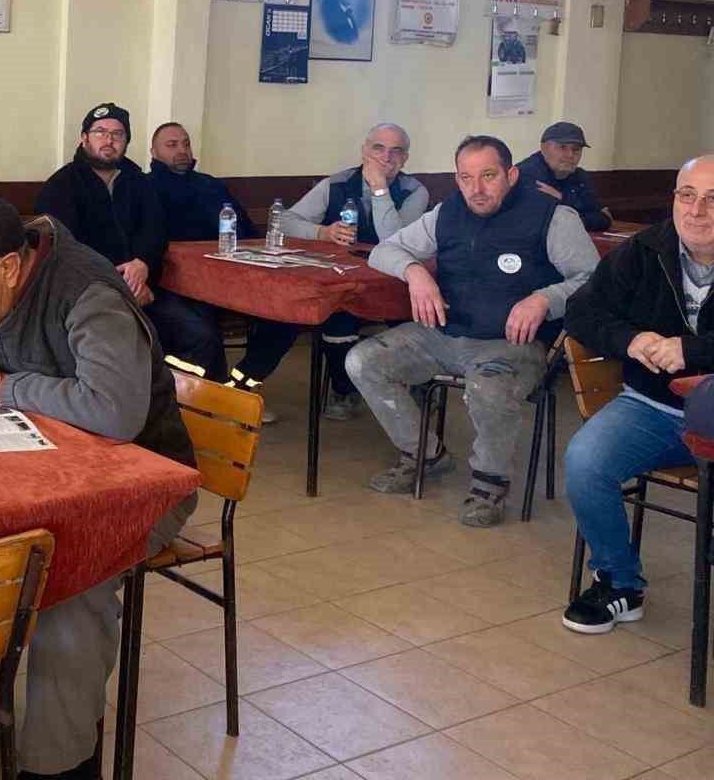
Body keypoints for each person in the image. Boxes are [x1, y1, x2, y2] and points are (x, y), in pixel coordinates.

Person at [0, 192, 195, 780]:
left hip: (145, 485)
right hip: (38, 475)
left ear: (9, 266)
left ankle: (61, 763)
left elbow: (114, 411)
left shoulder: (88, 295)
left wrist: (5, 387)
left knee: (69, 581)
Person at [346, 135, 598, 527]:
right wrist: (415, 274)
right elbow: (384, 251)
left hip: (514, 345)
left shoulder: (553, 217)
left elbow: (592, 279)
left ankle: (489, 484)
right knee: (363, 360)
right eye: (465, 178)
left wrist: (545, 299)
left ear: (511, 175)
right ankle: (425, 455)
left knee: (488, 387)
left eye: (488, 176)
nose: (475, 189)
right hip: (444, 335)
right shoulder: (447, 212)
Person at [558, 154, 714, 632]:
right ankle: (621, 584)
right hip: (653, 407)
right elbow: (581, 313)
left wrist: (690, 349)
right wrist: (633, 340)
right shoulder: (644, 250)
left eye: (712, 200)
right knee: (585, 461)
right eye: (686, 196)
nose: (696, 210)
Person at [233, 123, 429, 419]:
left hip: (390, 282)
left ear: (406, 158)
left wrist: (378, 189)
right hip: (336, 278)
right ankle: (238, 389)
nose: (386, 157)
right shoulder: (336, 183)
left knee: (408, 321)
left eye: (396, 150)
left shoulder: (415, 191)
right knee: (287, 313)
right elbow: (285, 221)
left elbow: (393, 239)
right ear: (364, 151)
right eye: (378, 148)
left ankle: (410, 388)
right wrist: (321, 232)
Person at [36, 103, 225, 379]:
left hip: (143, 289)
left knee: (202, 336)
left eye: (118, 134)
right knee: (127, 345)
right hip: (88, 296)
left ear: (126, 141)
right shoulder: (61, 186)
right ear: (84, 137)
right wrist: (119, 286)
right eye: (100, 132)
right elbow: (65, 250)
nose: (109, 140)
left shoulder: (138, 181)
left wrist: (144, 265)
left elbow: (155, 230)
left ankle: (212, 413)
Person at [147, 122, 257, 242]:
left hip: (227, 254)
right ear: (154, 152)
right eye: (172, 145)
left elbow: (247, 230)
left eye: (186, 144)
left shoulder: (211, 184)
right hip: (174, 258)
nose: (182, 150)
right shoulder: (144, 186)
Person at [517, 120, 612, 231]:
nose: (570, 155)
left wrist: (561, 198)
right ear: (544, 148)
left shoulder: (581, 176)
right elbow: (545, 225)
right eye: (562, 147)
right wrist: (581, 215)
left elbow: (603, 220)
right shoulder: (527, 174)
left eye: (576, 149)